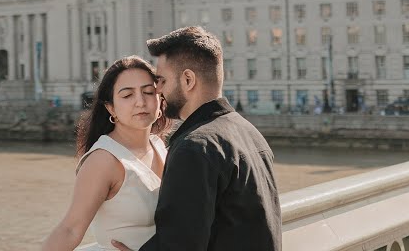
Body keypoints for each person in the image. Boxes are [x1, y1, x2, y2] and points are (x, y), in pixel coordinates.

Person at [112, 26, 281, 251]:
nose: (157, 89)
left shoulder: (195, 147)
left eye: (161, 80)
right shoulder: (250, 133)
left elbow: (180, 244)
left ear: (188, 80)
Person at [40, 56, 169, 251]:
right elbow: (70, 229)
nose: (140, 102)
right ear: (111, 108)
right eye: (127, 95)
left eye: (148, 92)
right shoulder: (104, 160)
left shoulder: (159, 146)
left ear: (160, 101)